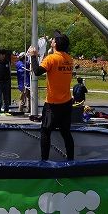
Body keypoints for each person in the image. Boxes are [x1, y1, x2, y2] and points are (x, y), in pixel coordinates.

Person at [28, 30, 74, 161]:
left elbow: (37, 72)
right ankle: (71, 160)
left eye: (53, 40)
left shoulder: (51, 59)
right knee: (66, 132)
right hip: (66, 102)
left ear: (56, 44)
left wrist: (33, 55)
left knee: (45, 131)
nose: (51, 41)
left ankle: (44, 161)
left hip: (53, 104)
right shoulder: (69, 59)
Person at [0, 50, 11, 114]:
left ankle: (6, 110)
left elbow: (9, 71)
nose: (3, 56)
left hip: (6, 82)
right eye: (1, 54)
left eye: (4, 54)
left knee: (6, 98)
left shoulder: (7, 62)